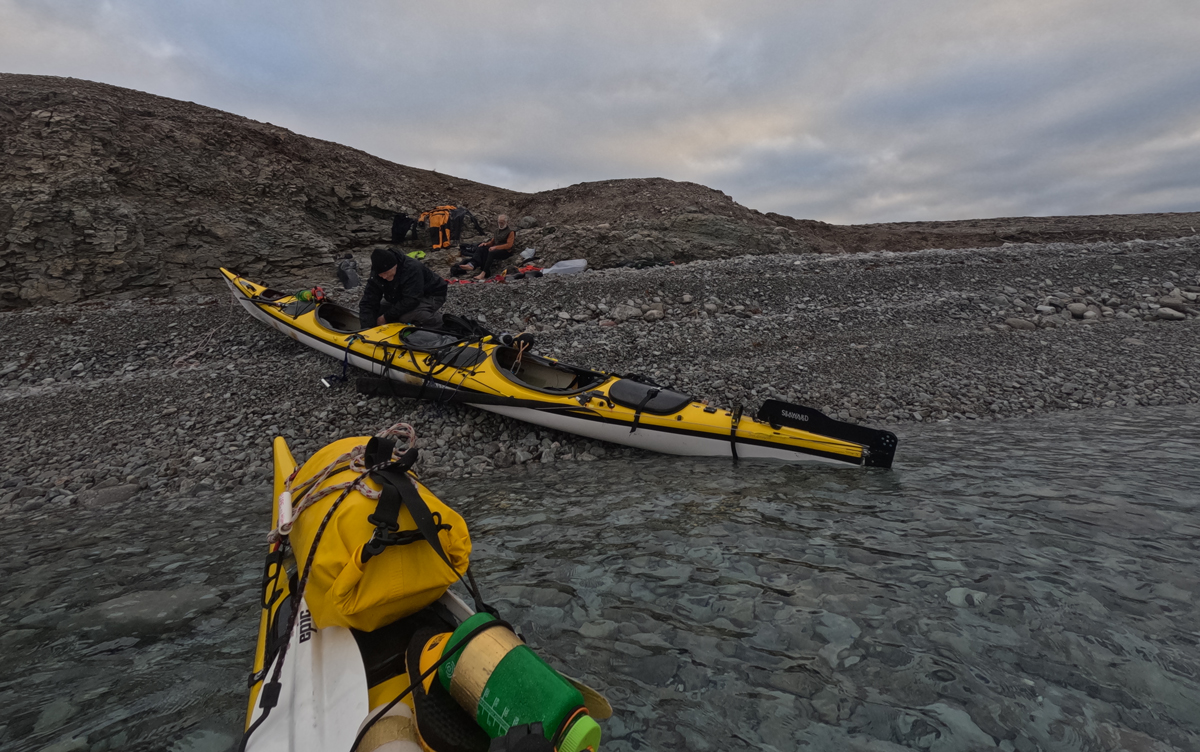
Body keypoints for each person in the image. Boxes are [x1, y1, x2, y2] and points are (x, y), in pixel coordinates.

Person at [358, 247, 447, 329]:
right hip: (402, 295)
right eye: (381, 275)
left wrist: (386, 317)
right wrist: (366, 329)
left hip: (432, 294)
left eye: (386, 273)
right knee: (376, 311)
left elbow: (411, 300)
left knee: (405, 317)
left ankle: (443, 323)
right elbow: (368, 301)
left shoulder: (412, 268)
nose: (384, 277)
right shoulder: (377, 274)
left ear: (395, 265)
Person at [452, 215, 516, 280]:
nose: (500, 224)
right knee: (481, 248)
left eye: (502, 223)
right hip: (496, 249)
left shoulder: (510, 232)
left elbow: (509, 245)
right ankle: (472, 265)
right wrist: (485, 244)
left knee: (491, 252)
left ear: (507, 222)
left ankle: (483, 273)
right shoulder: (497, 231)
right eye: (499, 222)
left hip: (505, 252)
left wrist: (495, 247)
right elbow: (492, 242)